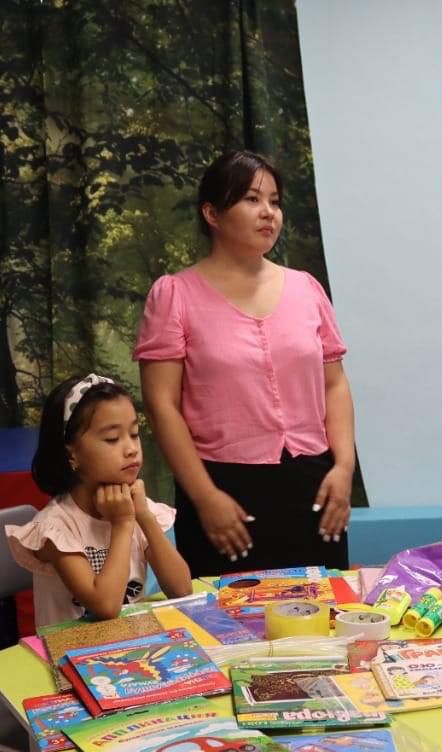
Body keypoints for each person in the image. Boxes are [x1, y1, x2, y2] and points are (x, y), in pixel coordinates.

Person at [134, 149, 354, 578]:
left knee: (324, 612)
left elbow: (335, 385)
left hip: (314, 487)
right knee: (225, 617)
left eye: (275, 201)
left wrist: (343, 467)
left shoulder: (306, 289)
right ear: (212, 213)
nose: (268, 212)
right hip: (221, 491)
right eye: (252, 199)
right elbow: (162, 406)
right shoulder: (174, 295)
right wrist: (204, 496)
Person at [6, 373, 192, 628]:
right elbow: (105, 606)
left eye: (134, 434)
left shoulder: (136, 508)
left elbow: (182, 589)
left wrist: (145, 518)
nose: (131, 449)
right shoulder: (56, 528)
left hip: (130, 644)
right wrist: (123, 525)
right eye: (112, 439)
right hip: (70, 651)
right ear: (71, 454)